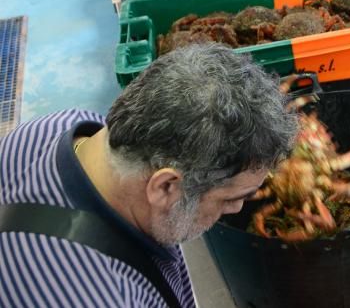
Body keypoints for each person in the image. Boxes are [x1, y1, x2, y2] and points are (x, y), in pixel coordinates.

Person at [0, 43, 298, 308]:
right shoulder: (104, 295)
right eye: (231, 199)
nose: (236, 209)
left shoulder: (65, 125)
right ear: (166, 186)